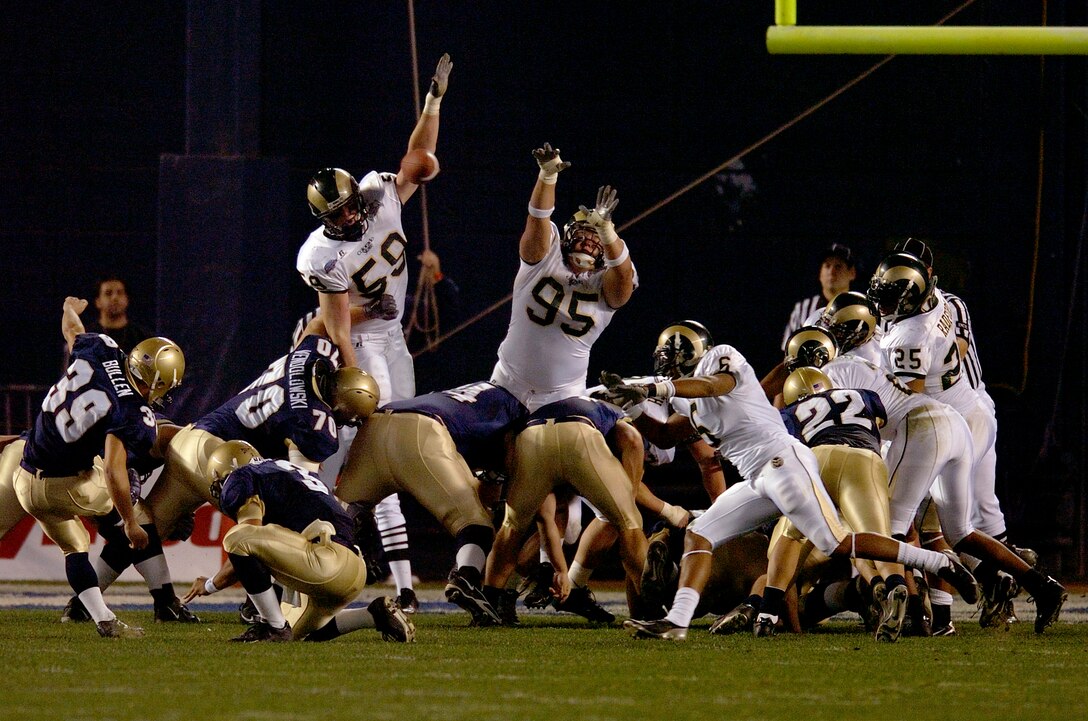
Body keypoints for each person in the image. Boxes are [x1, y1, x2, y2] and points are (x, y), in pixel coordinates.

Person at [601, 320, 980, 641]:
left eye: (677, 358)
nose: (670, 368)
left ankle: (937, 562)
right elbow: (668, 434)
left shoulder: (721, 360)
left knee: (834, 543)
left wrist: (656, 389)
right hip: (757, 478)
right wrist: (630, 404)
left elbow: (713, 386)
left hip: (785, 462)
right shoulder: (688, 400)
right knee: (700, 533)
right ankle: (677, 622)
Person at [295, 54, 454, 612]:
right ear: (322, 219)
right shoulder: (320, 253)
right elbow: (337, 321)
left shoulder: (378, 194)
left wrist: (432, 102)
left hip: (395, 339)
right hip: (361, 340)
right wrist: (354, 368)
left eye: (348, 208)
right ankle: (401, 584)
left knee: (403, 445)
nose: (348, 218)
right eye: (335, 215)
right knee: (384, 446)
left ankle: (388, 565)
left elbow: (419, 162)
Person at [806, 312, 1068, 635]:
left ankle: (919, 610)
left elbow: (860, 434)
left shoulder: (834, 373)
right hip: (952, 422)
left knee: (890, 531)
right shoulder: (869, 355)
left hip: (923, 429)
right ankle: (1043, 587)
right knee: (960, 532)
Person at [14, 297, 184, 638]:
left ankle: (101, 618)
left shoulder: (101, 348)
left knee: (75, 543)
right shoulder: (134, 413)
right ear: (158, 381)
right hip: (67, 487)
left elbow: (73, 330)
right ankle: (145, 568)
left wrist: (68, 308)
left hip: (24, 479)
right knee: (128, 496)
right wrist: (132, 522)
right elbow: (114, 470)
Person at [335, 380, 527, 626]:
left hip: (374, 426)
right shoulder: (516, 412)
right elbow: (502, 476)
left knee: (335, 521)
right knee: (475, 524)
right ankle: (465, 577)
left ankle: (292, 587)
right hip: (420, 432)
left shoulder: (476, 393)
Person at [181, 441, 414, 643]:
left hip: (324, 560)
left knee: (237, 537)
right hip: (352, 568)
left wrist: (210, 584)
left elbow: (248, 535)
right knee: (294, 632)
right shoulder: (289, 473)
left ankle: (271, 626)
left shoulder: (242, 476)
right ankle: (374, 614)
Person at [490, 142, 636, 412]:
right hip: (507, 382)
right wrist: (547, 176)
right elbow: (537, 219)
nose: (590, 242)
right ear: (568, 235)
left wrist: (608, 231)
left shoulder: (609, 277)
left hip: (563, 395)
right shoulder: (546, 256)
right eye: (584, 233)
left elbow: (624, 279)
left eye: (597, 237)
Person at [482, 396, 650, 621]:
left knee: (511, 526)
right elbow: (633, 440)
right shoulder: (615, 416)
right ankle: (652, 606)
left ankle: (488, 605)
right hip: (579, 434)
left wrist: (560, 569)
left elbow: (546, 519)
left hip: (532, 437)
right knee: (628, 521)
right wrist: (628, 498)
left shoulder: (554, 404)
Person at [780, 243, 857, 352]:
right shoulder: (802, 309)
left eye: (838, 266)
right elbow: (788, 353)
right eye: (827, 266)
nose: (831, 272)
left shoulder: (862, 309)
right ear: (820, 273)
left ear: (852, 273)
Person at [82, 277, 153, 354]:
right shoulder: (85, 339)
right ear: (98, 301)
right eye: (108, 293)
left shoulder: (143, 339)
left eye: (120, 293)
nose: (114, 298)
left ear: (127, 299)